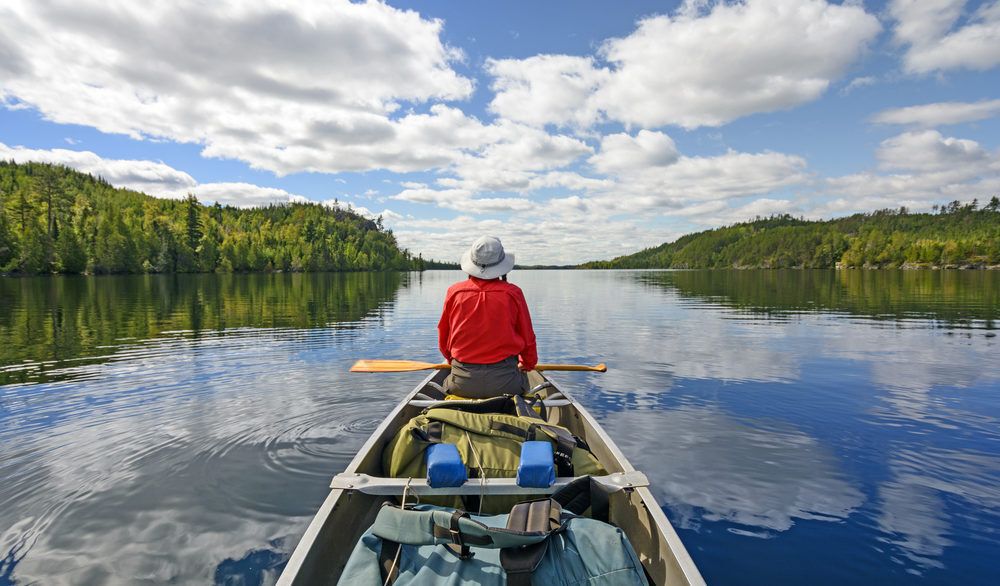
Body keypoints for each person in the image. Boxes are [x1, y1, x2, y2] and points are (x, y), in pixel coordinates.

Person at [437, 236, 537, 399]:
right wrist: (528, 364)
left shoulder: (454, 292)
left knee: (448, 383)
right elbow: (528, 338)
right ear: (502, 268)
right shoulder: (513, 293)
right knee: (524, 382)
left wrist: (450, 359)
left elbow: (443, 335)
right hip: (507, 384)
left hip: (462, 383)